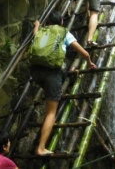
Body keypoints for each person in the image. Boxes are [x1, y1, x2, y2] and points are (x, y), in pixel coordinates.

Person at [31, 11, 97, 156]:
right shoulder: (63, 33)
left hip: (36, 72)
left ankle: (55, 87)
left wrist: (37, 25)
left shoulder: (43, 31)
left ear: (48, 23)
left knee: (53, 85)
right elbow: (83, 53)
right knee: (51, 113)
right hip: (52, 74)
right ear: (62, 22)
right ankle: (41, 148)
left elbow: (35, 35)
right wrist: (90, 62)